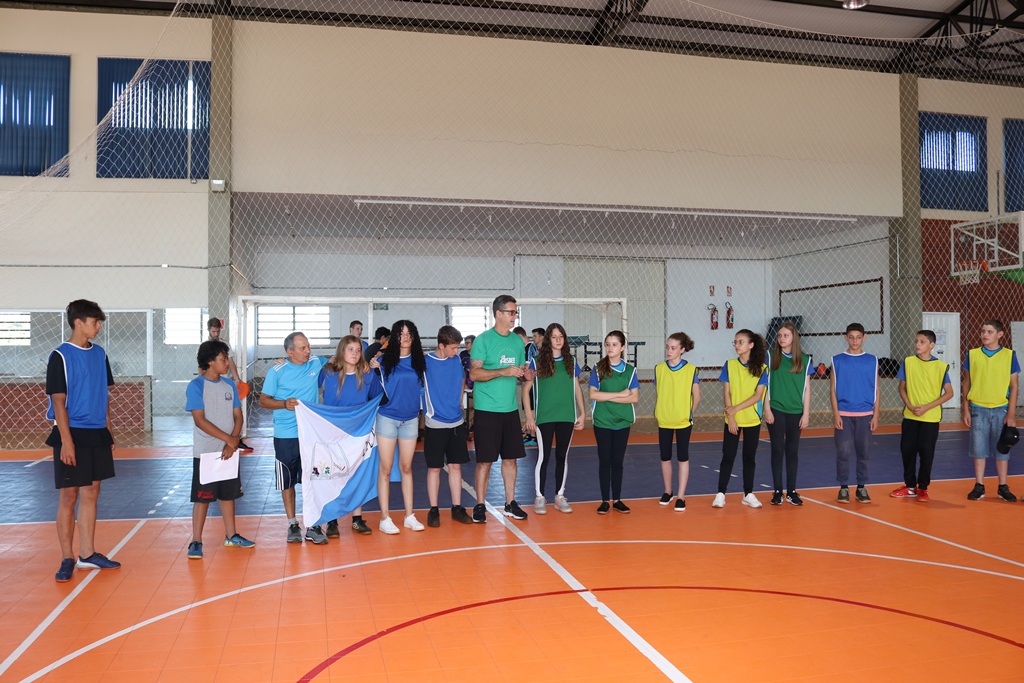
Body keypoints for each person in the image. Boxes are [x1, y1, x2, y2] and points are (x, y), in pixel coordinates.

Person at [47, 299, 121, 582]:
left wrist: (109, 428)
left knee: (92, 492)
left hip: (96, 431)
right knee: (69, 495)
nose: (98, 326)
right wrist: (66, 441)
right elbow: (58, 401)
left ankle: (87, 554)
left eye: (99, 322)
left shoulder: (100, 354)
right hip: (72, 431)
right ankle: (67, 557)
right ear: (78, 322)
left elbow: (104, 394)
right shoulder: (60, 356)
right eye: (94, 321)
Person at [185, 340, 256, 559]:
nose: (227, 363)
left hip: (229, 450)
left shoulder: (229, 386)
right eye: (223, 359)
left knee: (228, 495)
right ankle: (196, 540)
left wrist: (231, 442)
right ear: (210, 361)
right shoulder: (196, 386)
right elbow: (199, 420)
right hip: (206, 451)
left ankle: (231, 535)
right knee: (202, 498)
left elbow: (238, 416)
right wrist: (229, 440)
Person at [258, 331, 328, 544]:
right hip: (286, 435)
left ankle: (313, 525)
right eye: (302, 348)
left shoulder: (315, 362)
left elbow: (339, 361)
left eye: (308, 346)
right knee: (287, 481)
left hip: (311, 433)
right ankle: (292, 524)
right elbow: (263, 400)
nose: (308, 351)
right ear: (290, 352)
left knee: (313, 478)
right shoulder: (276, 371)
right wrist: (283, 404)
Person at [469, 295, 532, 523]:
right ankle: (479, 505)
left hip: (510, 410)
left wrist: (525, 375)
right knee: (485, 461)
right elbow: (474, 374)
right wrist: (501, 371)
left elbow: (519, 372)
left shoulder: (517, 342)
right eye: (511, 312)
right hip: (487, 410)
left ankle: (510, 503)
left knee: (511, 459)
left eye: (516, 312)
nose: (515, 316)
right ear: (499, 313)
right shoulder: (483, 340)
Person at [318, 335, 383, 536]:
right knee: (333, 475)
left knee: (357, 474)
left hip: (357, 433)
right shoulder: (328, 372)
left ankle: (357, 518)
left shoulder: (367, 375)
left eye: (358, 350)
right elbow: (307, 372)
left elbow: (379, 397)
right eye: (350, 349)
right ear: (341, 351)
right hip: (332, 432)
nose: (355, 354)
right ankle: (332, 521)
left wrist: (377, 370)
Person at [524, 323, 586, 514]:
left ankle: (559, 496)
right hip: (544, 417)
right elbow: (526, 391)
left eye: (561, 336)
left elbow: (576, 388)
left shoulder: (571, 361)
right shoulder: (536, 362)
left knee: (562, 456)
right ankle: (539, 497)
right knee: (543, 457)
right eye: (554, 337)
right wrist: (529, 416)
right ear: (548, 339)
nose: (558, 340)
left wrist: (582, 413)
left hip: (566, 416)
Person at [375, 320, 427, 533]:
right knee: (386, 469)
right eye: (401, 333)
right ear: (394, 337)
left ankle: (409, 516)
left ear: (414, 337)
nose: (405, 337)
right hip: (387, 418)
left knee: (406, 468)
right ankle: (384, 518)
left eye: (409, 333)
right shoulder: (382, 361)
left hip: (410, 420)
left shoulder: (420, 361)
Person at [891, 330, 954, 502]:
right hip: (910, 416)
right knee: (907, 451)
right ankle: (910, 486)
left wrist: (927, 407)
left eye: (922, 342)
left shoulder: (940, 367)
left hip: (930, 417)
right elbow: (901, 388)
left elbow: (949, 393)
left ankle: (923, 488)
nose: (917, 344)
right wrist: (910, 405)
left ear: (931, 345)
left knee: (926, 452)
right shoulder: (908, 362)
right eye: (916, 341)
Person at [962, 319, 1020, 501]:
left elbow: (1014, 385)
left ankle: (1003, 486)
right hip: (978, 408)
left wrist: (1011, 413)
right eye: (983, 331)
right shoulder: (972, 354)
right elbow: (966, 383)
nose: (985, 335)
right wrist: (965, 409)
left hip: (1001, 409)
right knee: (978, 449)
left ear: (1000, 334)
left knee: (1002, 448)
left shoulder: (1009, 355)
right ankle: (979, 485)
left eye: (989, 332)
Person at [423, 325, 475, 526]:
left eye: (457, 347)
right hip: (435, 422)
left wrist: (459, 397)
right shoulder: (426, 361)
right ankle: (433, 510)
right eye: (452, 348)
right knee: (434, 468)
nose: (456, 351)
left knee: (455, 466)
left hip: (456, 422)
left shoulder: (456, 361)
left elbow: (462, 378)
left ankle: (457, 508)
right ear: (441, 345)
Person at [712, 329, 768, 509]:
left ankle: (748, 494)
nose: (737, 345)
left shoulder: (762, 369)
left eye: (741, 342)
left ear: (751, 345)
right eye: (735, 342)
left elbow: (758, 396)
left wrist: (735, 409)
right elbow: (727, 393)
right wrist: (732, 417)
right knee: (728, 456)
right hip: (732, 419)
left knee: (749, 457)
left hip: (752, 419)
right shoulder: (729, 365)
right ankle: (721, 493)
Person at [589, 330, 640, 514]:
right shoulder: (598, 369)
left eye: (614, 344)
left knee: (617, 461)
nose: (610, 348)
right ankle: (604, 500)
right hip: (602, 421)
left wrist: (607, 396)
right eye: (608, 344)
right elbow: (593, 394)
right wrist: (620, 394)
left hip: (622, 422)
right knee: (605, 461)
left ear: (622, 347)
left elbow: (634, 398)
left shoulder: (630, 371)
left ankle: (617, 499)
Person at [763, 322, 813, 507]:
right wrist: (767, 409)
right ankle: (777, 491)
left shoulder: (805, 360)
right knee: (777, 450)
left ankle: (791, 491)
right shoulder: (770, 357)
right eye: (779, 335)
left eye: (786, 335)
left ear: (794, 338)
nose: (782, 338)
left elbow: (807, 388)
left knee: (792, 451)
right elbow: (764, 385)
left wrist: (806, 413)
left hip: (796, 412)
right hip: (776, 409)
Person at [830, 323, 880, 504]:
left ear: (864, 338)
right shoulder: (837, 360)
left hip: (865, 414)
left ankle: (861, 487)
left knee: (864, 453)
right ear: (846, 338)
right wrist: (836, 414)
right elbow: (832, 389)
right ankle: (843, 487)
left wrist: (876, 414)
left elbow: (877, 389)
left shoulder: (872, 360)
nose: (855, 341)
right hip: (844, 414)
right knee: (843, 452)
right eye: (851, 337)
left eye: (858, 337)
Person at [654, 332, 700, 512]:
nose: (669, 350)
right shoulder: (659, 369)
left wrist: (688, 414)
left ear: (682, 349)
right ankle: (668, 491)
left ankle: (681, 496)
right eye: (667, 347)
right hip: (664, 419)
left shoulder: (691, 370)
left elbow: (697, 397)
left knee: (682, 457)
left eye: (673, 348)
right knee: (665, 456)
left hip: (683, 421)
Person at [207, 317, 253, 454]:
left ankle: (235, 439)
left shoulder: (225, 344)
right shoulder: (205, 346)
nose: (216, 334)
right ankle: (217, 440)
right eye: (213, 331)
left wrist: (237, 379)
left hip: (224, 385)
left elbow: (231, 362)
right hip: (210, 386)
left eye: (218, 331)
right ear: (209, 330)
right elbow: (201, 367)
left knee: (232, 412)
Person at [461, 334, 476, 440]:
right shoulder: (463, 355)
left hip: (478, 385)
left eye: (467, 343)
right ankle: (466, 425)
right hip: (466, 386)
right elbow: (460, 371)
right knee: (469, 405)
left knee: (477, 405)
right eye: (465, 342)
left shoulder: (479, 354)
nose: (465, 345)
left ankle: (466, 425)